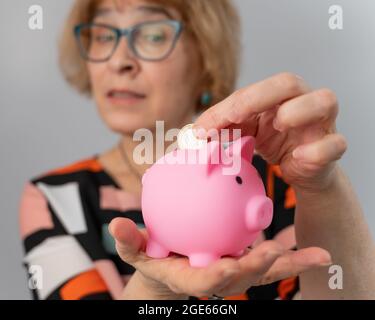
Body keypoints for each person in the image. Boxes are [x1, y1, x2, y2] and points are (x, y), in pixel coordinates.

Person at [19, 0, 375, 300]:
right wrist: (156, 285)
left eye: (153, 34)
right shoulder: (55, 198)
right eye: (102, 35)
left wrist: (322, 188)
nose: (119, 61)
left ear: (205, 57)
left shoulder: (275, 179)